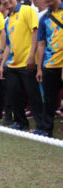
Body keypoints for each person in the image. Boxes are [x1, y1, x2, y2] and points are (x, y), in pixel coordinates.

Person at [0, 0, 44, 132]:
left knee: (33, 96)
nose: (5, 2)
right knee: (14, 95)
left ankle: (41, 127)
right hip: (12, 65)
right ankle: (21, 123)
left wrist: (31, 55)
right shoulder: (8, 19)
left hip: (28, 63)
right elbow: (8, 45)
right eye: (2, 1)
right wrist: (2, 65)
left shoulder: (27, 10)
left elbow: (35, 32)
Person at [36, 0, 63, 136]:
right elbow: (41, 44)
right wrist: (40, 69)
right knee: (48, 100)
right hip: (49, 65)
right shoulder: (45, 18)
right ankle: (46, 130)